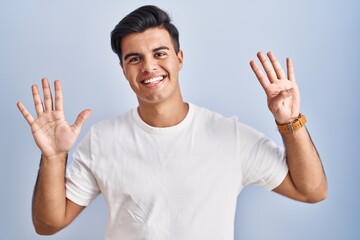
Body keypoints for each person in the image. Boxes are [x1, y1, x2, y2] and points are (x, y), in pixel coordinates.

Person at [17, 5, 327, 240]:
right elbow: (48, 224)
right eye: (134, 58)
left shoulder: (229, 136)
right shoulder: (102, 139)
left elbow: (312, 191)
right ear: (124, 70)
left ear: (179, 58)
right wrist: (54, 157)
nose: (149, 66)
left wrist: (290, 122)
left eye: (160, 53)